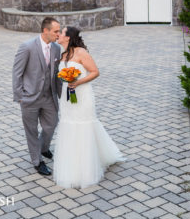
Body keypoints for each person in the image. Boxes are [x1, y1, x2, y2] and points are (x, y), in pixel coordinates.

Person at [54, 26, 125, 189]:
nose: (58, 35)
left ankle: (86, 168)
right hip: (67, 98)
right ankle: (71, 164)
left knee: (84, 126)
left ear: (68, 37)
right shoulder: (63, 54)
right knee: (69, 125)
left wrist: (77, 82)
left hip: (83, 96)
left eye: (61, 33)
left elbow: (94, 72)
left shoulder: (81, 53)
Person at [12, 17, 62, 176]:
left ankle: (43, 147)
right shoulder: (27, 47)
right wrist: (20, 96)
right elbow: (17, 73)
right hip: (29, 97)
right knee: (31, 131)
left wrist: (63, 91)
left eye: (59, 31)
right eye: (56, 31)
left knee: (52, 124)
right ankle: (37, 161)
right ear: (45, 31)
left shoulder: (56, 48)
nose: (58, 34)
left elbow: (55, 73)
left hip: (49, 96)